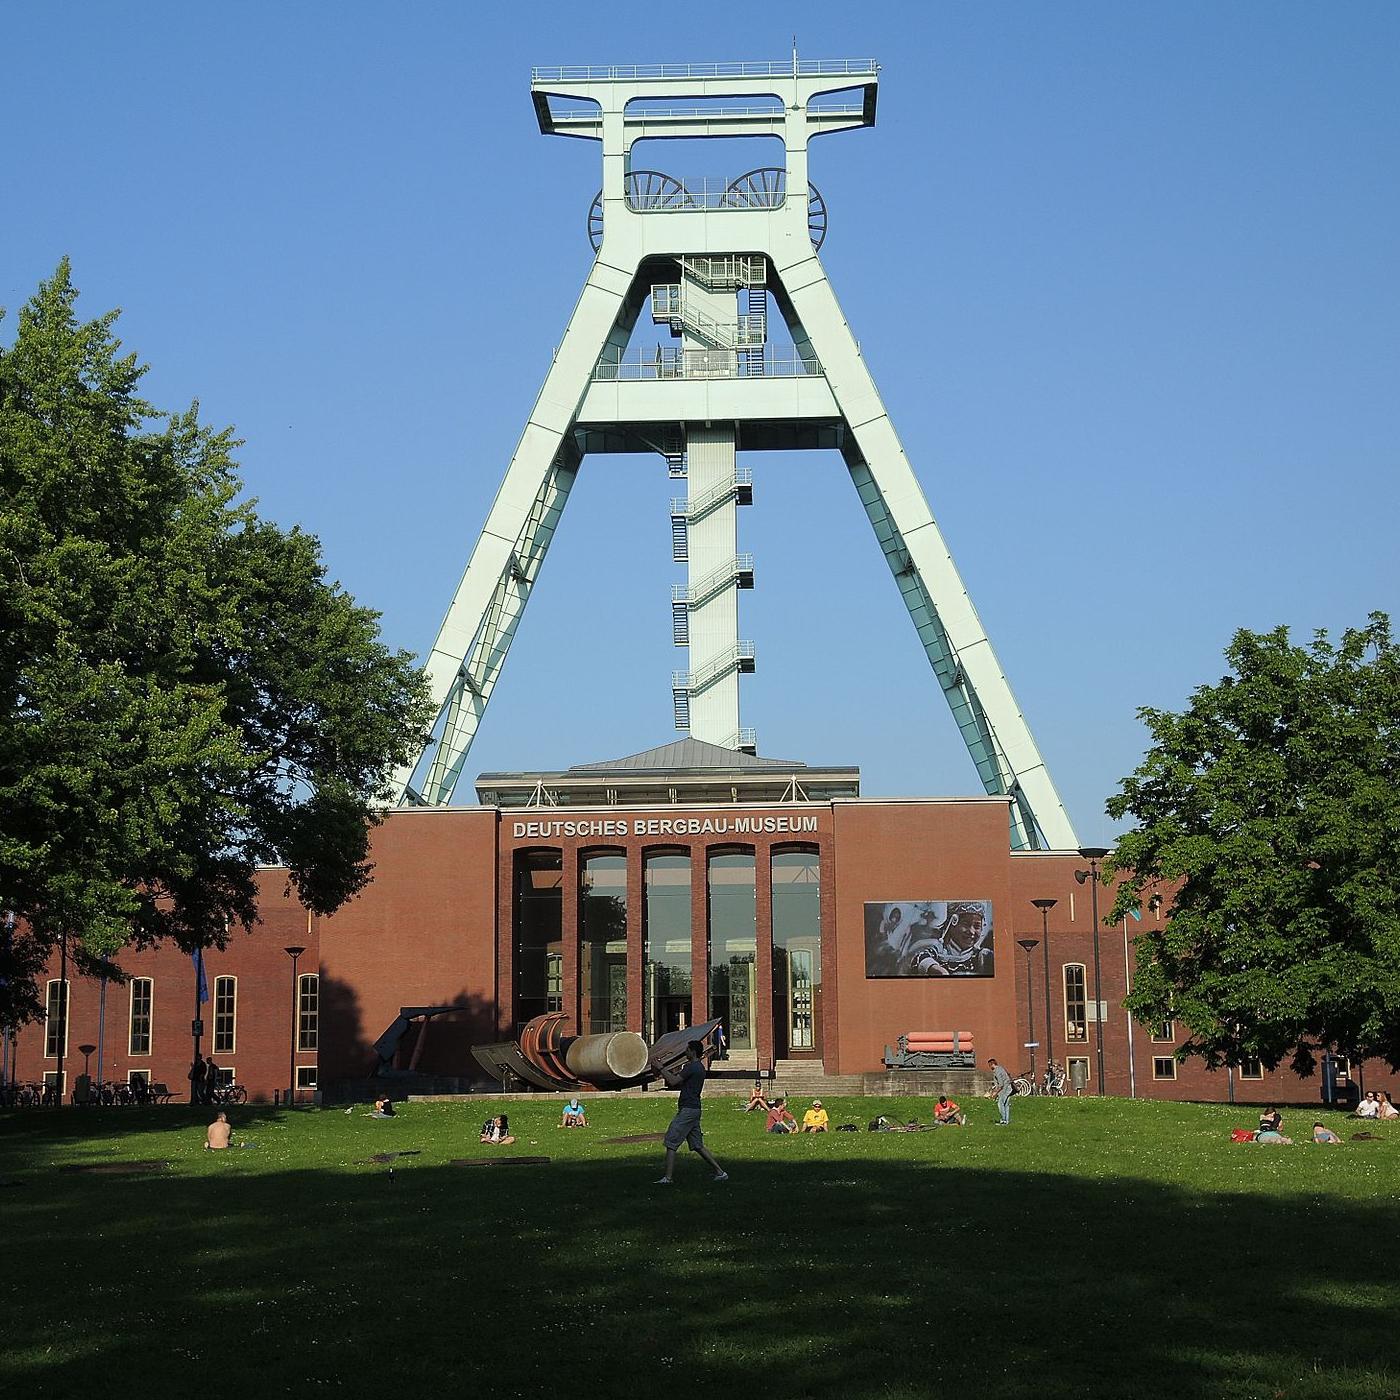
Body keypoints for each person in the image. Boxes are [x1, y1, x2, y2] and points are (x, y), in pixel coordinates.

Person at [656, 1040, 728, 1184]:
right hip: (694, 1109)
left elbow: (674, 1081)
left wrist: (661, 1068)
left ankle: (668, 1178)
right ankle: (720, 1173)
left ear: (693, 1052)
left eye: (687, 1050)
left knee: (671, 1141)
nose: (685, 1052)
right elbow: (680, 1080)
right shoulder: (699, 1067)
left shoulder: (691, 1067)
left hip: (688, 1110)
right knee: (697, 1145)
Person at [989, 1057, 1013, 1125]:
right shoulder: (1001, 1068)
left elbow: (1001, 1084)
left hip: (1004, 1090)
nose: (990, 1067)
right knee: (1006, 1105)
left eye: (989, 1065)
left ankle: (1003, 1120)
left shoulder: (997, 1071)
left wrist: (995, 1093)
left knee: (1000, 1104)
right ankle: (1006, 1121)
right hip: (1009, 1088)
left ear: (992, 1064)